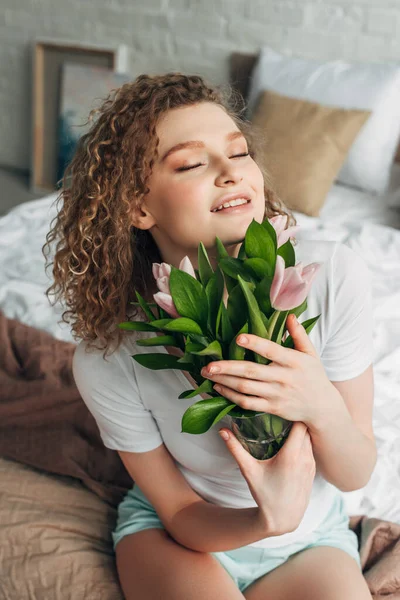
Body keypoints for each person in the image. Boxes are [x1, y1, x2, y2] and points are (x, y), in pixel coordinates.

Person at [44, 72, 376, 599]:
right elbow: (178, 511)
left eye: (239, 152)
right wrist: (266, 519)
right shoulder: (109, 354)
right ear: (137, 206)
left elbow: (355, 472)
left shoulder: (330, 276)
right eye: (192, 163)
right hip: (180, 538)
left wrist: (320, 405)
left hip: (311, 540)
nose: (231, 173)